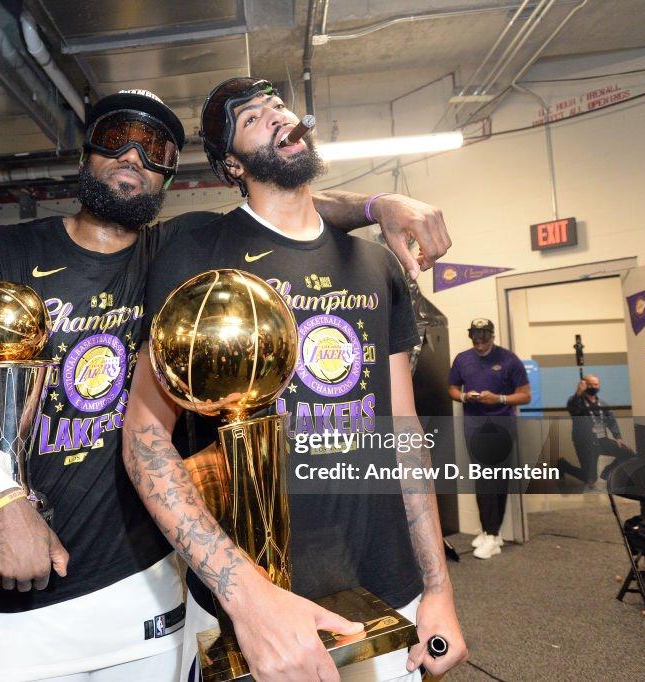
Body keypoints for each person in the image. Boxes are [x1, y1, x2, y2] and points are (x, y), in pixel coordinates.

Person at [0, 87, 455, 681]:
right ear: (86, 149)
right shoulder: (2, 252)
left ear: (170, 174)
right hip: (24, 598)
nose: (134, 157)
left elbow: (286, 213)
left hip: (152, 599)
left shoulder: (176, 251)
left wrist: (380, 206)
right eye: (116, 138)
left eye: (157, 147)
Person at [123, 77, 466, 682]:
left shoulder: (375, 262)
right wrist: (247, 598)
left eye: (278, 105)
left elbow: (404, 431)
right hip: (258, 609)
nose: (278, 116)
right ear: (231, 163)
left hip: (388, 587)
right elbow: (145, 438)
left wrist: (438, 588)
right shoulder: (193, 249)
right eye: (252, 117)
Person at [447, 318, 530, 560]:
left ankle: (493, 535)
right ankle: (488, 531)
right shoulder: (463, 359)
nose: (480, 344)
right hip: (474, 427)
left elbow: (525, 395)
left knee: (496, 480)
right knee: (482, 480)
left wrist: (500, 399)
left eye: (484, 340)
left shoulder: (508, 359)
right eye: (476, 339)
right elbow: (451, 388)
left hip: (502, 427)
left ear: (492, 336)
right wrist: (464, 396)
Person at [560, 374, 634, 487]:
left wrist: (618, 437)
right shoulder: (577, 402)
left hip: (601, 440)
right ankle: (563, 465)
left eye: (596, 384)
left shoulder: (602, 403)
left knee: (628, 453)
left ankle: (607, 472)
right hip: (585, 443)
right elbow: (572, 408)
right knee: (590, 479)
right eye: (590, 384)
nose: (593, 387)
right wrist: (578, 392)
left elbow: (611, 421)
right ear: (584, 386)